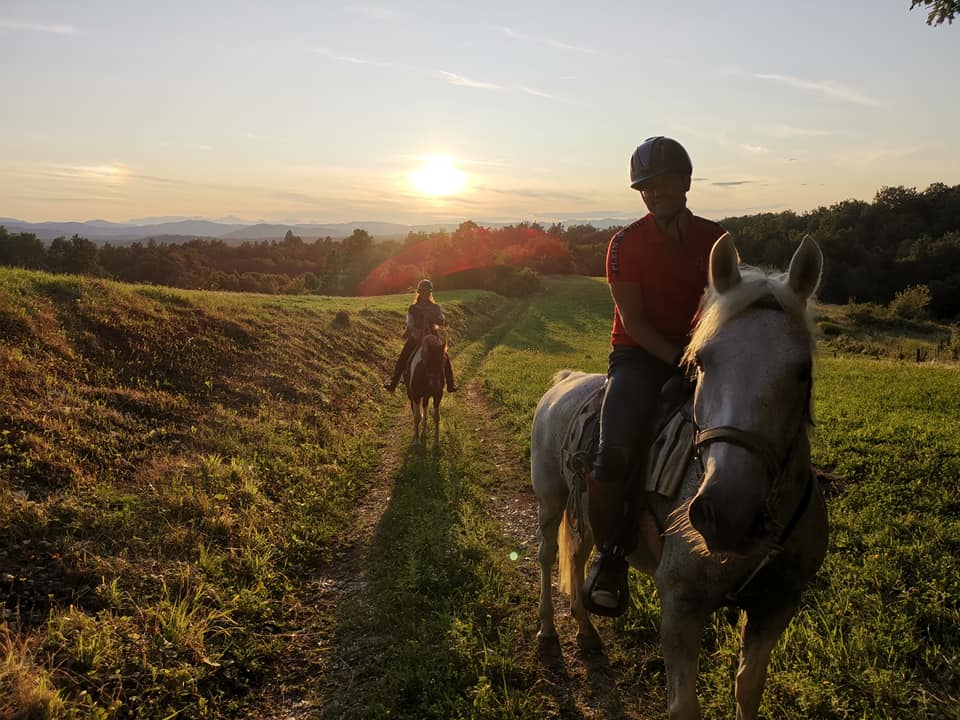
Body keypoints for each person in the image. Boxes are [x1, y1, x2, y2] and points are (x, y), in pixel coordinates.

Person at [582, 136, 726, 616]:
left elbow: (728, 303)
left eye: (661, 182)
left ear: (684, 181)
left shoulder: (716, 239)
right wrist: (681, 361)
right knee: (615, 450)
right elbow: (636, 323)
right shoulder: (624, 244)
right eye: (644, 186)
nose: (653, 192)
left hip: (701, 351)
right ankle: (610, 556)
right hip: (640, 356)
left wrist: (706, 356)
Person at [383, 278, 457, 393]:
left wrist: (434, 318)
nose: (425, 293)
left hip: (431, 338)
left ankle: (450, 383)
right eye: (422, 291)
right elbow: (410, 323)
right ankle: (394, 382)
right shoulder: (413, 308)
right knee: (403, 357)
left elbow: (442, 321)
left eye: (427, 291)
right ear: (419, 292)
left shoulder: (435, 307)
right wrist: (412, 331)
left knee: (445, 358)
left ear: (430, 293)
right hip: (416, 338)